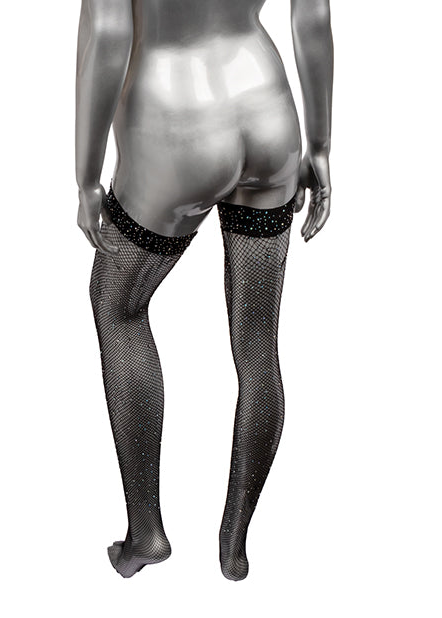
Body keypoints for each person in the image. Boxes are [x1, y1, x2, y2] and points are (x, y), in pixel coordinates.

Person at [75, 0, 333, 581]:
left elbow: (108, 33)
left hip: (172, 123)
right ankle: (234, 547)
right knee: (258, 345)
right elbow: (313, 14)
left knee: (117, 306)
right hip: (268, 109)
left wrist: (87, 177)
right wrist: (319, 145)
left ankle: (146, 533)